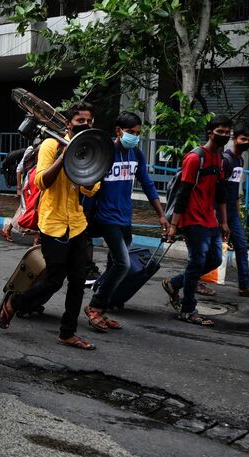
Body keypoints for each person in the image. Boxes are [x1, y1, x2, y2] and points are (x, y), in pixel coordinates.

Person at [0, 102, 98, 351]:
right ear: (68, 123)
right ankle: (15, 302)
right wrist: (65, 157)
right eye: (79, 121)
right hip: (53, 224)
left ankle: (68, 332)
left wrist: (83, 165)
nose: (84, 125)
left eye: (88, 121)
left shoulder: (90, 147)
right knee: (54, 280)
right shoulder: (51, 145)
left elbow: (91, 189)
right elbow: (41, 181)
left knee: (77, 281)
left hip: (77, 223)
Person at [84, 112, 170, 332]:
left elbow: (148, 184)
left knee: (115, 263)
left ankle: (103, 307)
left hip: (125, 217)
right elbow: (88, 187)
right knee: (124, 263)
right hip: (106, 217)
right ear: (118, 131)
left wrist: (161, 214)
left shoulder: (136, 154)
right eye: (131, 132)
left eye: (138, 133)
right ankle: (94, 307)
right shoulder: (105, 153)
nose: (134, 137)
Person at [161, 115, 232, 326]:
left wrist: (224, 221)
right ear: (210, 133)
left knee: (215, 260)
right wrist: (173, 225)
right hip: (192, 219)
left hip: (209, 219)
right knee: (197, 262)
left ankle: (174, 284)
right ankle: (188, 309)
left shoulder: (219, 159)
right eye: (221, 131)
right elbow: (183, 193)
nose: (225, 135)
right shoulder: (194, 158)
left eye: (228, 132)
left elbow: (220, 192)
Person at [217, 124, 249, 297]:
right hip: (218, 212)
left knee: (242, 246)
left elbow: (235, 189)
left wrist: (237, 212)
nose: (247, 142)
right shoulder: (226, 160)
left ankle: (244, 285)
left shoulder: (240, 160)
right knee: (209, 250)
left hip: (231, 212)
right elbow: (220, 191)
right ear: (235, 139)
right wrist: (222, 220)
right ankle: (197, 281)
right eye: (243, 139)